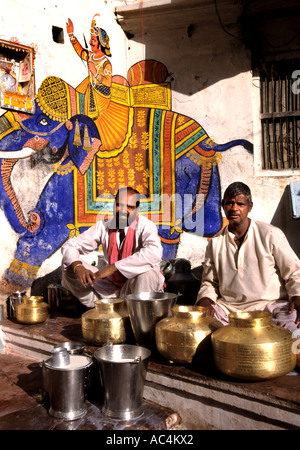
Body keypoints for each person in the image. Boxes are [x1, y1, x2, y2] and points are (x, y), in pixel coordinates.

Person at [196, 181, 300, 338]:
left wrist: (298, 296)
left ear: (249, 206)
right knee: (199, 329)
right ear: (223, 206)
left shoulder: (270, 234)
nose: (234, 208)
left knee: (292, 330)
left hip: (270, 306)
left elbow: (294, 272)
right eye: (229, 203)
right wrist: (205, 301)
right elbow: (209, 283)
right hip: (229, 310)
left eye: (240, 203)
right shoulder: (216, 243)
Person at [61, 186, 165, 307]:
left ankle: (138, 315)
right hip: (110, 288)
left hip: (138, 289)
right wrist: (78, 267)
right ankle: (106, 307)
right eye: (119, 205)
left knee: (148, 273)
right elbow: (70, 245)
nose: (123, 210)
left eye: (129, 207)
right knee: (69, 264)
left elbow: (154, 253)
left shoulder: (146, 226)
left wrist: (114, 267)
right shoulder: (104, 226)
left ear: (137, 209)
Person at [66, 15, 129, 151]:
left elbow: (107, 83)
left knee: (90, 112)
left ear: (100, 42)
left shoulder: (106, 64)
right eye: (90, 39)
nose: (90, 42)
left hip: (101, 96)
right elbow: (80, 50)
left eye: (93, 40)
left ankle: (91, 140)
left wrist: (95, 72)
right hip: (90, 90)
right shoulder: (90, 56)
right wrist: (71, 34)